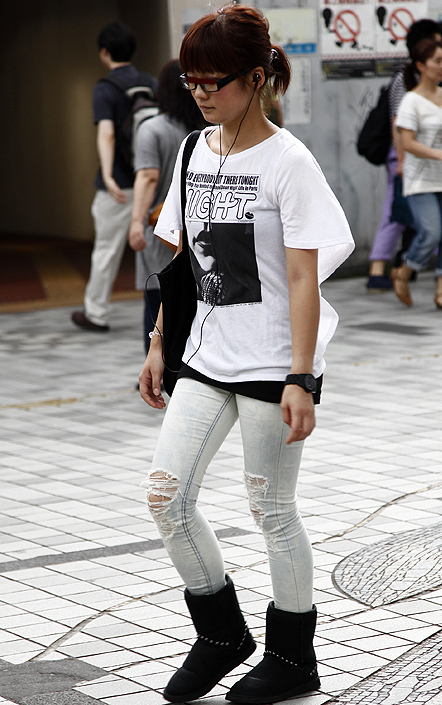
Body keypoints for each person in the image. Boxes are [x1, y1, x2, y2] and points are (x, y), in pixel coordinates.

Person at [139, 5, 354, 704]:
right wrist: (158, 342)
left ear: (256, 79)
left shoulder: (289, 162)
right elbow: (180, 260)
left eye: (216, 81)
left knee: (271, 509)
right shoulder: (192, 151)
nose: (201, 93)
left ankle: (293, 657)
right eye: (192, 80)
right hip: (204, 356)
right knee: (166, 496)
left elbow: (303, 277)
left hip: (271, 363)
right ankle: (222, 635)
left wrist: (301, 376)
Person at [71, 22, 157, 332]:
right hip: (151, 182)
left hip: (119, 185)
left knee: (107, 250)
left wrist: (107, 175)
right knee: (158, 247)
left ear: (104, 52)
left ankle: (96, 313)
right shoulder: (151, 83)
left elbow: (106, 134)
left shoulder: (105, 89)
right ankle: (166, 306)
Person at [128, 59, 205, 355]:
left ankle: (158, 363)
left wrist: (136, 222)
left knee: (157, 303)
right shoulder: (208, 130)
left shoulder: (153, 129)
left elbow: (148, 177)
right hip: (197, 231)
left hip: (160, 231)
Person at [367, 19, 441, 292]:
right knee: (396, 212)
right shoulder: (404, 79)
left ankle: (407, 267)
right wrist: (401, 160)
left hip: (423, 157)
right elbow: (398, 123)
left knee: (418, 216)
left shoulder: (433, 83)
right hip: (405, 156)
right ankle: (378, 270)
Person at [392, 38, 442, 309]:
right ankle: (403, 273)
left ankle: (441, 291)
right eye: (437, 61)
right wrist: (440, 155)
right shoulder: (411, 101)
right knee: (431, 233)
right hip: (421, 180)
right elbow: (407, 142)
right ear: (421, 66)